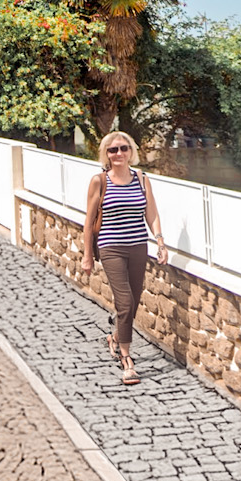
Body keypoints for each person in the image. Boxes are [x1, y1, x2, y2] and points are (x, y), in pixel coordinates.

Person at [83, 129, 166, 385]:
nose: (119, 153)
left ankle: (115, 337)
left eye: (123, 148)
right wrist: (87, 255)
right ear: (106, 155)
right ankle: (127, 358)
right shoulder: (100, 180)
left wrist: (160, 240)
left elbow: (150, 211)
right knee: (125, 302)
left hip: (138, 246)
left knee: (134, 300)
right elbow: (88, 222)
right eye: (113, 150)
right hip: (111, 248)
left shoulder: (142, 179)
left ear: (131, 152)